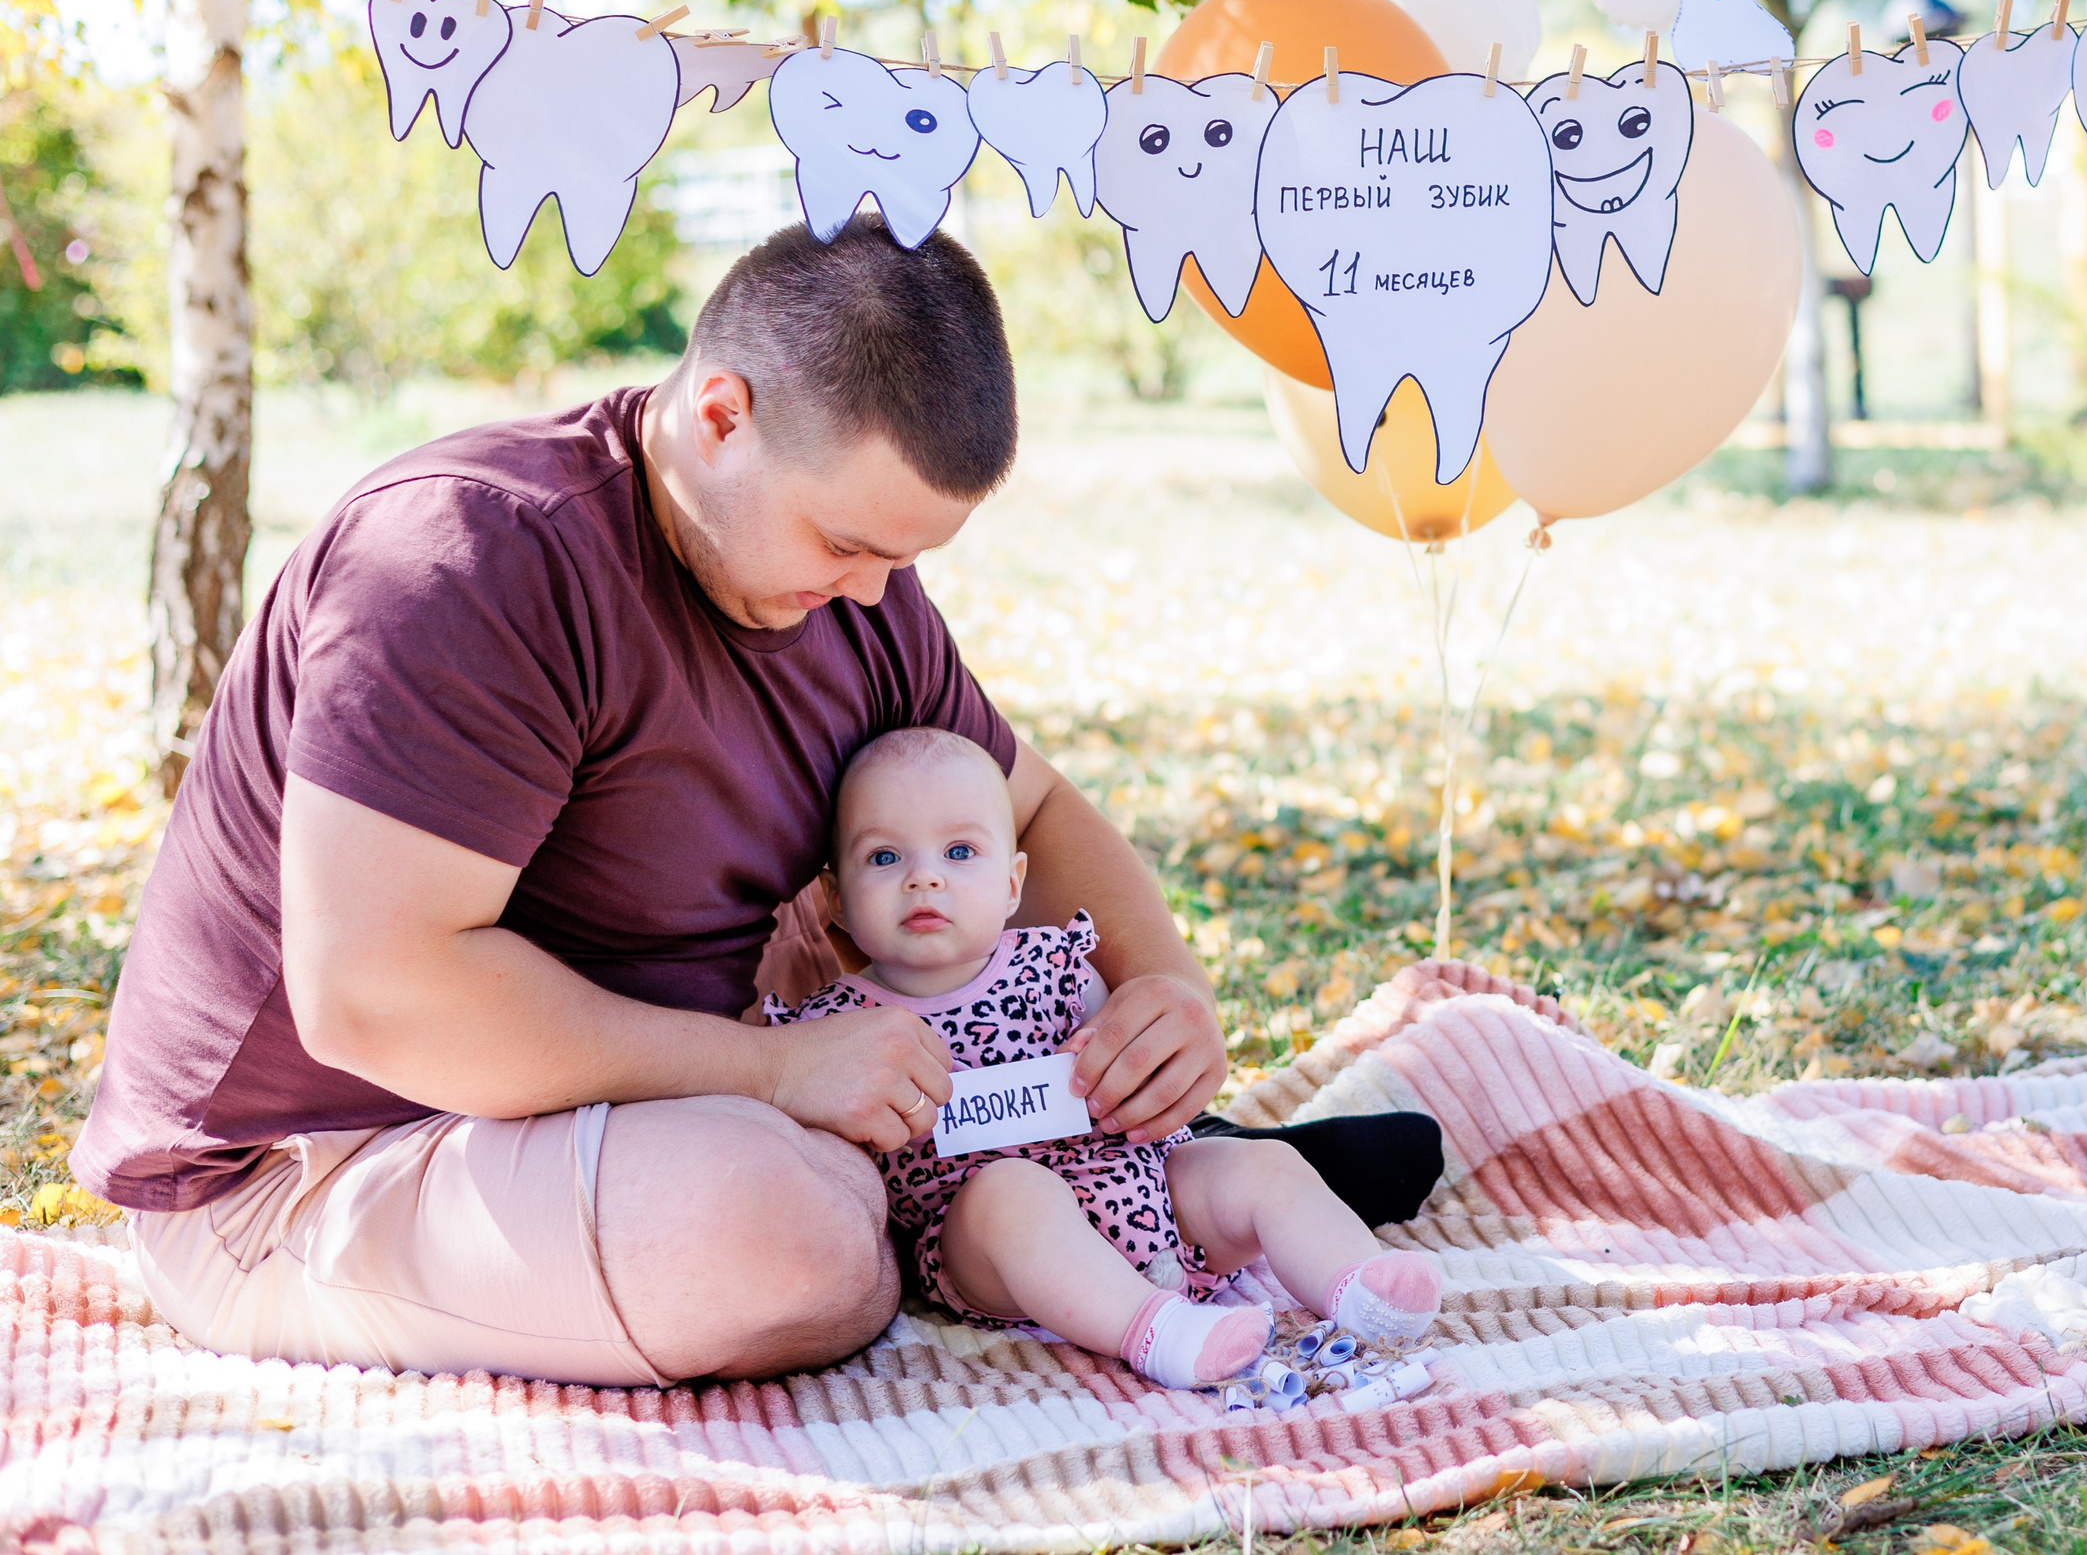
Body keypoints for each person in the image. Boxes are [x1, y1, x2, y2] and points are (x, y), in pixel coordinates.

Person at [72, 220, 1243, 1387]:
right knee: (790, 1239)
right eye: (843, 541)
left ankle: (1063, 1187)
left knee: (827, 1181)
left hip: (654, 1114)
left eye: (903, 557)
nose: (875, 593)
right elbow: (378, 1000)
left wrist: (1164, 991)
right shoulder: (470, 560)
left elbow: (1028, 810)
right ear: (721, 415)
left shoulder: (855, 590)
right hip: (313, 1164)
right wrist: (777, 1078)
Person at [767, 727, 1440, 1389]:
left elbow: (1127, 1063)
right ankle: (1157, 1331)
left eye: (960, 850)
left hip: (1140, 1191)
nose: (925, 878)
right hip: (986, 1239)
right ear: (835, 901)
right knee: (1012, 1191)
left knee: (1261, 1164)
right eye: (885, 858)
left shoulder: (1056, 965)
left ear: (1012, 882)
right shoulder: (839, 1026)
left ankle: (1356, 1282)